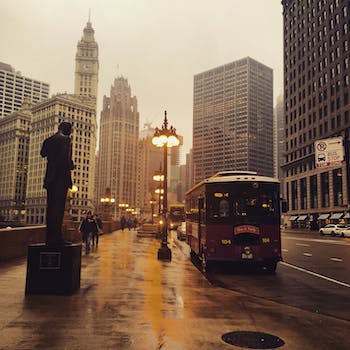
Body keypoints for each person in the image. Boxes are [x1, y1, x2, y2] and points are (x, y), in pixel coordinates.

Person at [40, 122, 74, 246]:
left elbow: (43, 153)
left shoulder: (49, 140)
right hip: (60, 178)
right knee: (58, 210)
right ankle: (57, 238)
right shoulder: (65, 140)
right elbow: (64, 159)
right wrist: (71, 165)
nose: (71, 132)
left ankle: (49, 238)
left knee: (50, 209)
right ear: (65, 129)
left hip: (50, 179)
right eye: (70, 129)